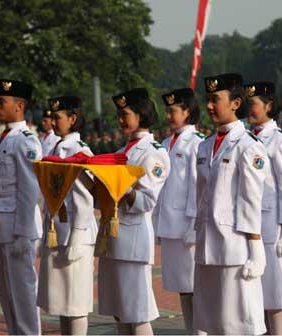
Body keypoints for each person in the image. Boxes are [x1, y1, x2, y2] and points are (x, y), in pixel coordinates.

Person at [193, 73, 268, 335]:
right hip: (207, 246)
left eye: (216, 99)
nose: (210, 106)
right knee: (212, 324)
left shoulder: (248, 146)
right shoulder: (204, 147)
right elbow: (202, 197)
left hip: (235, 247)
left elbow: (250, 199)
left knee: (238, 325)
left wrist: (256, 248)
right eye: (208, 100)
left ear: (236, 103)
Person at [98, 88, 170, 335]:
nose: (120, 120)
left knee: (137, 313)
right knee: (119, 311)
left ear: (141, 115)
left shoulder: (154, 152)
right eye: (118, 114)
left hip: (133, 240)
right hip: (113, 239)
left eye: (125, 114)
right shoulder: (121, 152)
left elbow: (146, 201)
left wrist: (122, 185)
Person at [37, 95, 98, 335]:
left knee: (76, 303)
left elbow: (84, 197)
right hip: (58, 232)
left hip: (75, 234)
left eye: (58, 117)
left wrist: (77, 235)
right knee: (61, 303)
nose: (53, 122)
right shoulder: (56, 146)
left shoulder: (79, 150)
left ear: (73, 119)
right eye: (52, 117)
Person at [245, 81, 282, 335]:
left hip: (273, 226)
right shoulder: (247, 138)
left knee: (276, 295)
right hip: (249, 225)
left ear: (268, 105)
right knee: (256, 297)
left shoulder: (281, 140)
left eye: (253, 104)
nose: (249, 108)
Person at [0, 79, 42, 334]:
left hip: (17, 228)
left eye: (2, 102)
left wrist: (24, 232)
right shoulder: (1, 139)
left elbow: (30, 189)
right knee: (6, 293)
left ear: (19, 106)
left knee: (22, 292)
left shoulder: (26, 141)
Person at [155, 88, 204, 333]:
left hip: (187, 228)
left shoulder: (197, 144)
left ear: (187, 111)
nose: (168, 116)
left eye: (173, 110)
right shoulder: (165, 144)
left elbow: (198, 186)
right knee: (183, 288)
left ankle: (200, 331)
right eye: (167, 111)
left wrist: (195, 225)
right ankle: (191, 330)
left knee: (197, 288)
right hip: (171, 226)